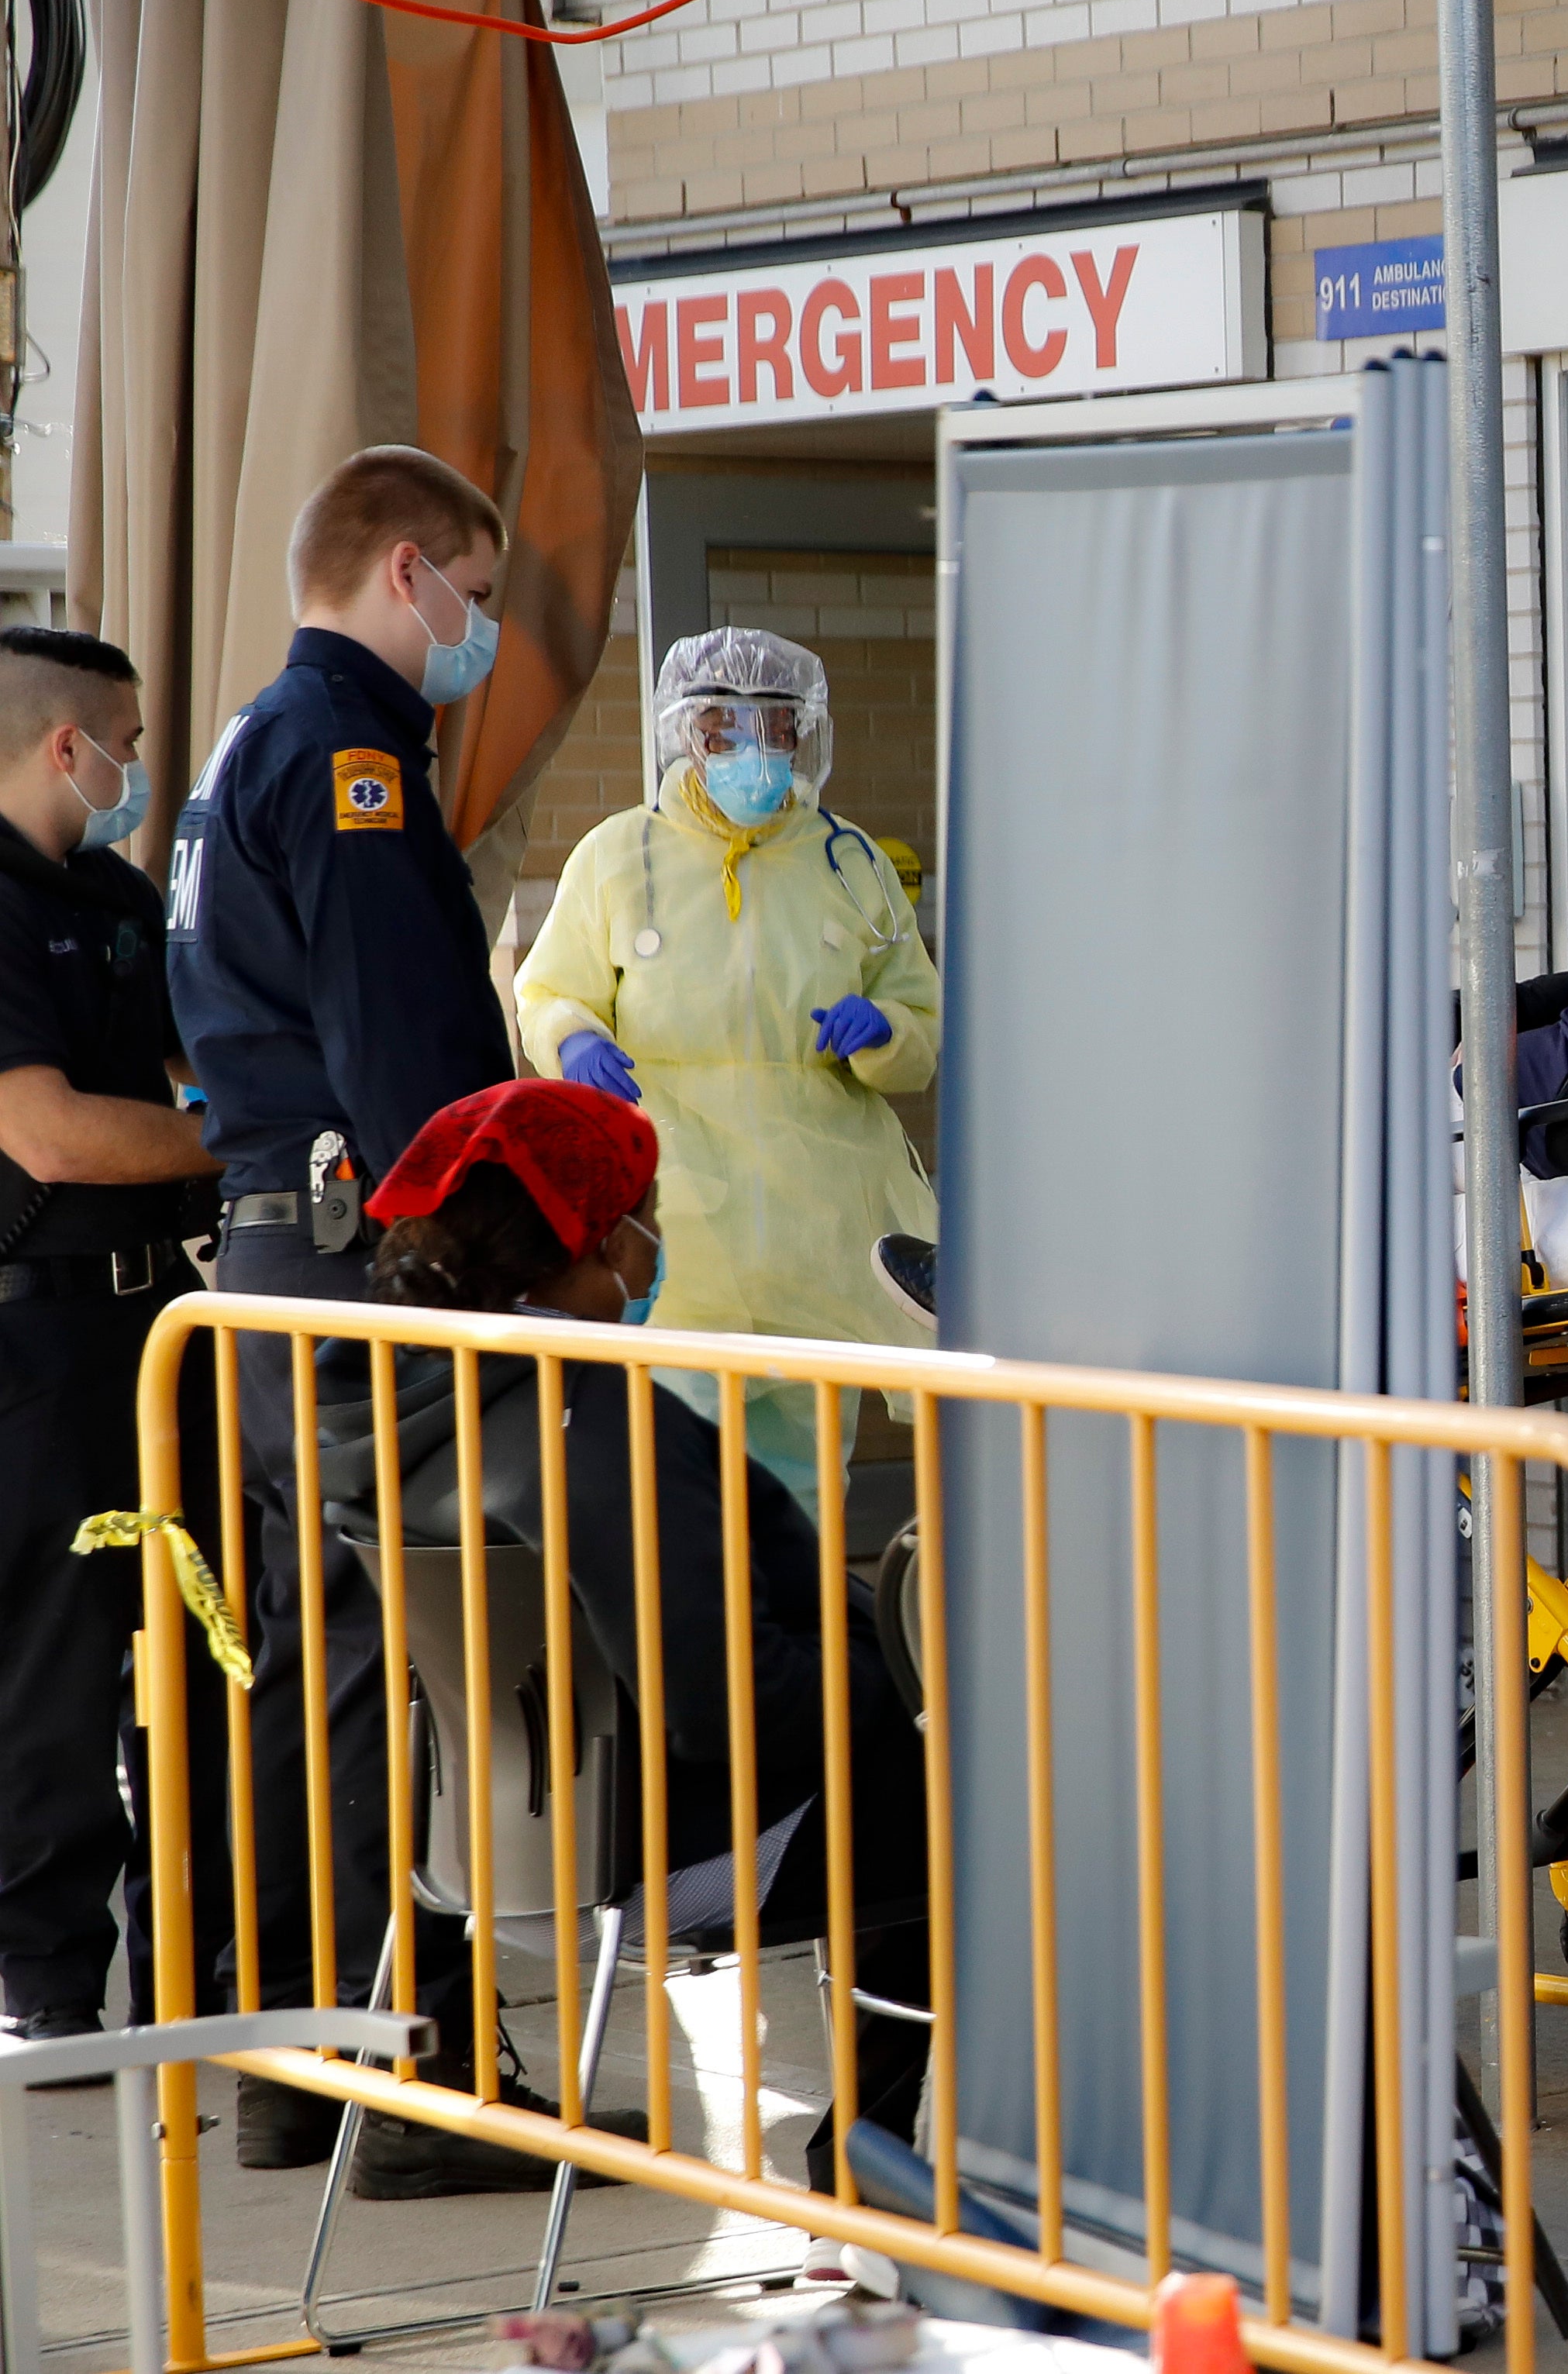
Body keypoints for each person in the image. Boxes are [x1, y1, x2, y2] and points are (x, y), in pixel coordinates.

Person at [350, 1080, 927, 2214]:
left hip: (479, 1851)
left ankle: (875, 2180)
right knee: (976, 1798)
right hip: (657, 1850)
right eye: (650, 1215)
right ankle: (873, 2186)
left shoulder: (394, 1399)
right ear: (606, 1240)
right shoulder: (597, 1424)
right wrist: (903, 1688)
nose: (658, 1243)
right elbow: (729, 1707)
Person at [161, 444, 524, 2186]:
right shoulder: (347, 755)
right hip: (365, 1263)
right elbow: (404, 1060)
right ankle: (416, 2077)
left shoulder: (249, 741)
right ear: (405, 571)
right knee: (407, 1662)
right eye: (478, 591)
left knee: (315, 1671)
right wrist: (516, 1240)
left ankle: (299, 2063)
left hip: (270, 1262)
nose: (484, 628)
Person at [516, 629, 941, 1512]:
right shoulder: (619, 856)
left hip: (815, 1236)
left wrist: (887, 1030)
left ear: (803, 732)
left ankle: (805, 1607)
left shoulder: (850, 864)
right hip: (679, 1237)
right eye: (724, 728)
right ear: (685, 731)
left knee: (804, 1497)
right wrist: (572, 1038)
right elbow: (549, 989)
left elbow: (924, 1029)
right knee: (681, 1490)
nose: (753, 750)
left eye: (774, 727)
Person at [0, 629, 214, 2079]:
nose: (138, 769)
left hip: (158, 1314)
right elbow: (52, 1133)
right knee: (58, 1662)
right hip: (38, 1331)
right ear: (65, 744)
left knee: (200, 1635)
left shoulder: (121, 895)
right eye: (127, 745)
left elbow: (193, 1055)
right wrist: (234, 1143)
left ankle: (203, 1951)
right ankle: (49, 1978)